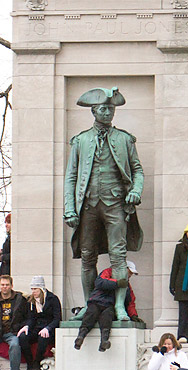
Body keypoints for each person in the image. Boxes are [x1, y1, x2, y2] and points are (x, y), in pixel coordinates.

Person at [64, 87, 144, 321]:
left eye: (111, 108)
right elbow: (71, 176)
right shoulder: (81, 140)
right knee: (88, 257)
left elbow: (137, 170)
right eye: (103, 108)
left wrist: (136, 190)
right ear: (94, 111)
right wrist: (70, 208)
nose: (108, 112)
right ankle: (90, 305)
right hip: (88, 205)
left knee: (118, 256)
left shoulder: (124, 139)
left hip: (115, 203)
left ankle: (119, 306)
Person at [74, 261, 144, 352]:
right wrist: (116, 283)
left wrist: (134, 315)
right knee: (90, 316)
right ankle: (81, 337)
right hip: (96, 302)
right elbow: (100, 282)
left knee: (106, 319)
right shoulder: (108, 272)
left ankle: (104, 341)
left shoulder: (126, 285)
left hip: (108, 305)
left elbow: (130, 301)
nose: (130, 275)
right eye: (130, 272)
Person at [17, 276, 62, 370]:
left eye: (35, 289)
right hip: (36, 327)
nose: (33, 291)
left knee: (43, 337)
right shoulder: (31, 301)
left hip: (49, 329)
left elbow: (57, 318)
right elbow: (31, 318)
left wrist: (48, 328)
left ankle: (37, 362)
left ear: (41, 289)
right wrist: (27, 326)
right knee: (23, 337)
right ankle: (30, 364)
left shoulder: (53, 299)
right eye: (32, 289)